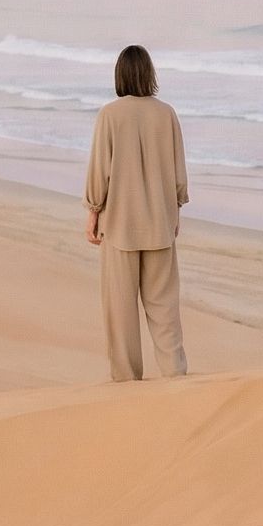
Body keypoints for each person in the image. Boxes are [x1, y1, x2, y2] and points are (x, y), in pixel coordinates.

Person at [84, 44, 189, 382]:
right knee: (164, 309)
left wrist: (93, 212)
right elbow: (178, 173)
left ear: (120, 75)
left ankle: (127, 384)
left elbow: (100, 170)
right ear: (149, 75)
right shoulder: (167, 113)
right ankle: (175, 375)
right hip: (159, 223)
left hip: (121, 227)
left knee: (121, 312)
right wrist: (174, 215)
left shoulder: (110, 115)